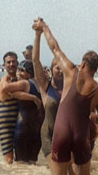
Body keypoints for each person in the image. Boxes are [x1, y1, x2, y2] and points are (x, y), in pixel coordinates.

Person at [32, 17, 98, 175]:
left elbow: (54, 47)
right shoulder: (96, 89)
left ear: (82, 64)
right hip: (81, 135)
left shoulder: (70, 71)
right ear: (95, 70)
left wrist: (44, 28)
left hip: (61, 133)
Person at [0, 52, 42, 164]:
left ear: (17, 63)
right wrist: (33, 98)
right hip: (6, 122)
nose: (11, 64)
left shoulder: (20, 81)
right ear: (4, 65)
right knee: (9, 159)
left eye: (13, 61)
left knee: (20, 157)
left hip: (18, 121)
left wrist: (32, 97)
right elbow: (2, 96)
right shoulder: (4, 80)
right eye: (8, 62)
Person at [32, 28, 63, 169]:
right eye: (57, 68)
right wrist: (38, 35)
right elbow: (35, 60)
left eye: (62, 67)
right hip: (49, 136)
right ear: (51, 70)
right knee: (55, 170)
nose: (61, 70)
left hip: (67, 137)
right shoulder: (46, 86)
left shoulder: (70, 88)